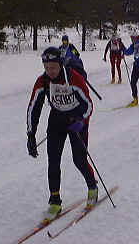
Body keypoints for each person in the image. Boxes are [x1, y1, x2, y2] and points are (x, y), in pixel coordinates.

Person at [26, 47, 98, 223]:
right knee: (53, 161)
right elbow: (33, 108)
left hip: (76, 120)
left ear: (60, 65)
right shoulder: (43, 81)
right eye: (47, 67)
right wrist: (31, 135)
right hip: (57, 120)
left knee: (79, 159)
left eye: (53, 67)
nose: (50, 71)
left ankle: (92, 187)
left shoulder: (74, 78)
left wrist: (81, 121)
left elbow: (88, 104)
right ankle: (55, 201)